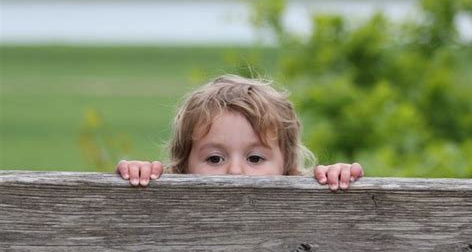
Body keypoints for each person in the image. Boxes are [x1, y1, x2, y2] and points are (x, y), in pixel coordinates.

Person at [116, 74, 363, 190]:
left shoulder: (302, 206)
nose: (235, 171)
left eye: (255, 158)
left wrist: (334, 181)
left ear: (287, 166)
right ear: (182, 166)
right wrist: (141, 180)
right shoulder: (170, 209)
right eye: (214, 159)